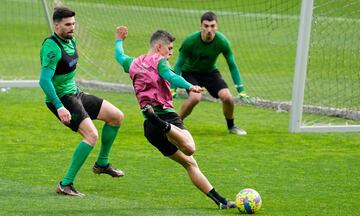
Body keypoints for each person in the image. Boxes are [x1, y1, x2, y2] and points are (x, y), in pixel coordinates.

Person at [114, 26, 236, 209]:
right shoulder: (160, 61)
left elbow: (119, 56)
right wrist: (190, 86)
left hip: (149, 127)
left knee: (189, 163)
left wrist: (118, 40)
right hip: (166, 118)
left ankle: (220, 201)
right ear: (159, 47)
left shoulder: (133, 63)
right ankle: (164, 126)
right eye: (169, 48)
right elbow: (170, 75)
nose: (171, 52)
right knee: (190, 148)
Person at [39, 7, 125, 197]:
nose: (72, 28)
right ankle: (65, 184)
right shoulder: (52, 47)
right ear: (56, 25)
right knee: (91, 136)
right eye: (68, 24)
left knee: (116, 117)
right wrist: (60, 106)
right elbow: (44, 80)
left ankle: (102, 164)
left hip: (75, 93)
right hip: (61, 99)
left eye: (74, 24)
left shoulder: (71, 40)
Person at [174, 11, 254, 135]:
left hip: (210, 73)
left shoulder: (222, 41)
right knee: (195, 97)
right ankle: (175, 124)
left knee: (228, 98)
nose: (209, 29)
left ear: (216, 26)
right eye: (206, 26)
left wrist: (241, 90)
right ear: (200, 26)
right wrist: (172, 88)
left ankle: (231, 127)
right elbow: (179, 64)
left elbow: (232, 65)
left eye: (212, 26)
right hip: (190, 73)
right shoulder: (190, 41)